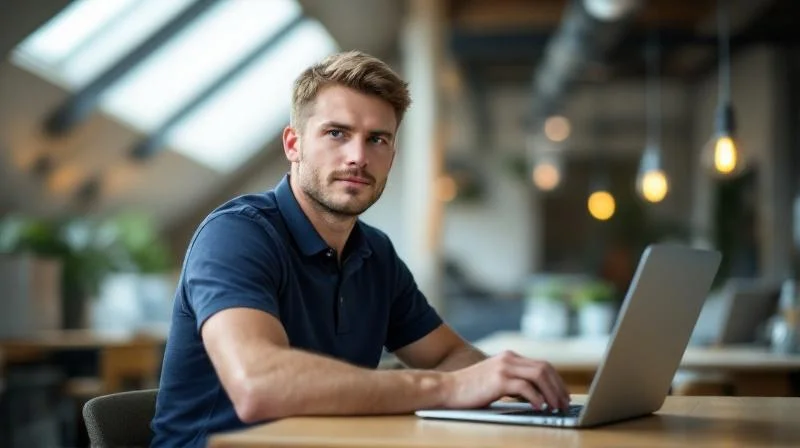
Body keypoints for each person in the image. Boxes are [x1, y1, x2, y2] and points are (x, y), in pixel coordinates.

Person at [150, 50, 570, 447]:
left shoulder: (375, 252)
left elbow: (448, 354)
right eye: (337, 133)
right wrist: (450, 387)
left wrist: (504, 382)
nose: (358, 157)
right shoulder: (236, 234)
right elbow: (258, 384)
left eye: (377, 140)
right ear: (293, 144)